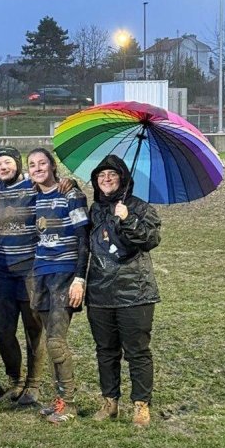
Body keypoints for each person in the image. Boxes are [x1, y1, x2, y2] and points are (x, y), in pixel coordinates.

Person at [86, 155, 161, 428]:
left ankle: (141, 404)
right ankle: (110, 401)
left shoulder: (139, 207)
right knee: (105, 351)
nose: (106, 179)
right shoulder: (94, 210)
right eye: (101, 175)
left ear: (123, 178)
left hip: (135, 293)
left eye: (112, 174)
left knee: (137, 352)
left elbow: (151, 240)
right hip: (100, 294)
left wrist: (128, 218)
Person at [26, 148, 89, 424]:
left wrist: (80, 277)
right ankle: (59, 400)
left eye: (42, 163)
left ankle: (70, 404)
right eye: (32, 165)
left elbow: (84, 239)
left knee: (55, 341)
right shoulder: (34, 196)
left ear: (52, 166)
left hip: (63, 275)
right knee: (50, 339)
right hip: (40, 274)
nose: (38, 168)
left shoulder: (70, 195)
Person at [0, 146, 46, 405]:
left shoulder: (32, 187)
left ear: (18, 165)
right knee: (3, 330)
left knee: (33, 329)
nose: (3, 167)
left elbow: (52, 189)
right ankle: (15, 381)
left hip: (29, 271)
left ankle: (33, 384)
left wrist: (66, 185)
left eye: (8, 163)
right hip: (2, 271)